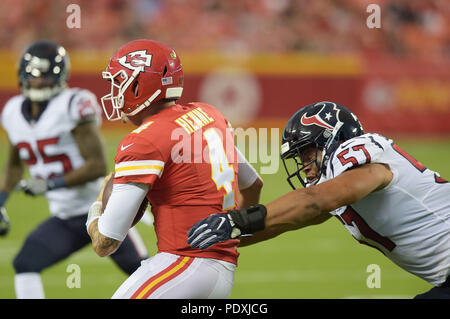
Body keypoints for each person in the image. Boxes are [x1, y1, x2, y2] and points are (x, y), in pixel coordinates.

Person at [187, 101, 450, 299]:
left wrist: (237, 218)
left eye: (307, 152)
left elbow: (315, 200)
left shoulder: (361, 158)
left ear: (335, 139)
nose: (304, 165)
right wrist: (216, 240)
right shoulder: (337, 187)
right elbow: (284, 222)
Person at [86, 39, 262, 299]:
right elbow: (253, 184)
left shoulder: (144, 140)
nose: (115, 91)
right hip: (221, 270)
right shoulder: (209, 113)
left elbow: (105, 243)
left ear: (138, 85)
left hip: (183, 265)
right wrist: (233, 232)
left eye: (119, 82)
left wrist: (96, 206)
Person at [0, 40, 148, 299]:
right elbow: (14, 164)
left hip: (101, 210)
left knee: (143, 273)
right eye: (34, 76)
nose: (38, 82)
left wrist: (49, 185)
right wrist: (1, 201)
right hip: (65, 217)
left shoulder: (73, 104)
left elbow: (97, 165)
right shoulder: (12, 112)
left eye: (45, 77)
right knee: (25, 264)